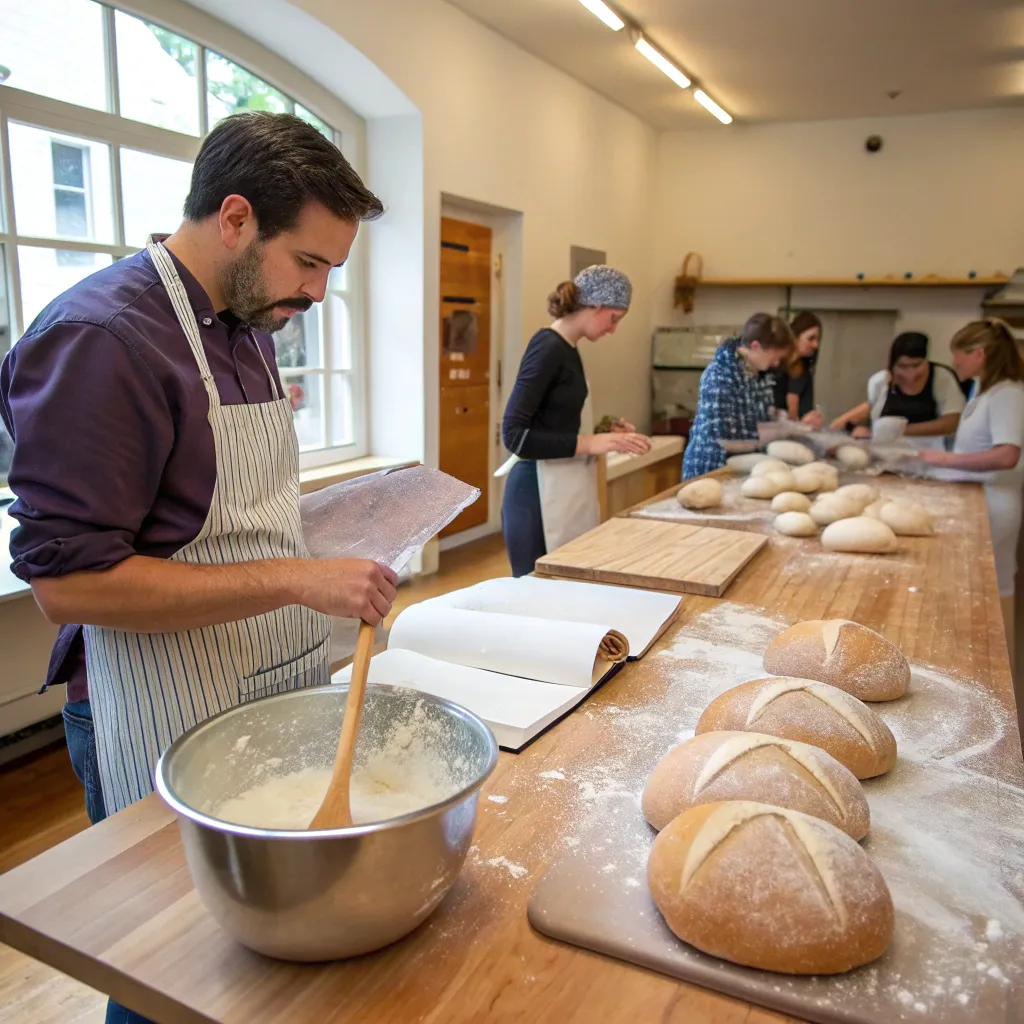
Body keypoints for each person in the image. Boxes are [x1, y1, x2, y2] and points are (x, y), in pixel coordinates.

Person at [1, 112, 397, 1024]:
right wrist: (300, 581)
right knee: (169, 969)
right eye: (311, 263)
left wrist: (345, 542)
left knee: (258, 967)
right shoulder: (102, 340)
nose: (320, 292)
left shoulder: (250, 322)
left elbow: (230, 517)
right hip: (156, 704)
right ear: (234, 219)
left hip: (260, 682)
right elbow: (67, 585)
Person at [500, 266, 651, 577]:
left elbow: (554, 420)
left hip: (559, 485)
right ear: (594, 304)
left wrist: (603, 431)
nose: (613, 330)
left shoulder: (569, 349)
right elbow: (515, 436)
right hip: (534, 494)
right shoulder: (547, 347)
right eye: (614, 319)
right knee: (538, 596)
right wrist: (592, 443)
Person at [919, 319, 1024, 660]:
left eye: (958, 356)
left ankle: (998, 666)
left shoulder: (1008, 394)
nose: (955, 364)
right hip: (981, 498)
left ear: (978, 353)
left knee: (996, 586)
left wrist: (946, 460)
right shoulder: (986, 392)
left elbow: (1008, 454)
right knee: (989, 586)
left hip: (996, 504)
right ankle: (991, 660)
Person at [682, 313, 794, 479]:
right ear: (755, 346)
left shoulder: (755, 374)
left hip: (740, 467)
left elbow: (759, 416)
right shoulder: (719, 374)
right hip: (710, 469)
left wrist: (780, 418)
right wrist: (782, 430)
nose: (776, 363)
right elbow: (727, 436)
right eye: (774, 356)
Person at [830, 331, 965, 445]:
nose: (910, 374)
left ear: (926, 360)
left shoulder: (942, 378)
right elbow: (871, 409)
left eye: (917, 365)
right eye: (903, 367)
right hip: (885, 452)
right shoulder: (880, 381)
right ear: (892, 364)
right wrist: (856, 426)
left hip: (930, 454)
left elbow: (951, 423)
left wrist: (900, 430)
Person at [771, 311, 824, 428]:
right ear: (795, 337)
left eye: (817, 339)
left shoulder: (804, 372)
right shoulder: (772, 365)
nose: (816, 345)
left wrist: (810, 419)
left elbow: (803, 411)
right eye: (811, 339)